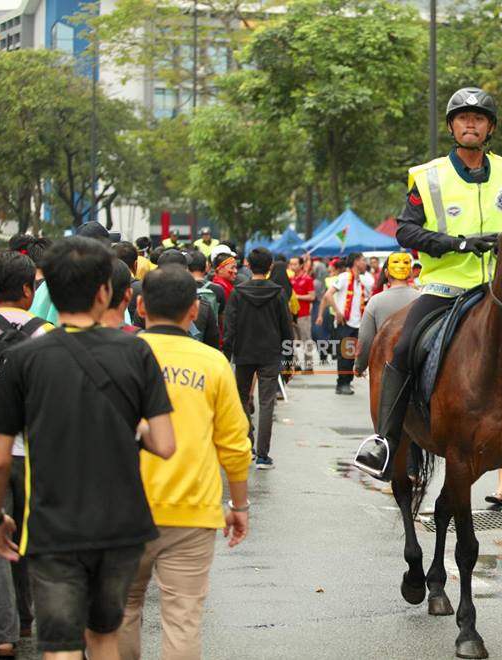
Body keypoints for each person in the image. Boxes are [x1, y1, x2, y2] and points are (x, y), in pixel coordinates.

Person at [352, 86, 502, 484]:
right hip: (444, 288)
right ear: (452, 126)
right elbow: (407, 231)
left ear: (490, 129)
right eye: (463, 118)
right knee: (402, 343)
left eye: (479, 118)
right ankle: (385, 439)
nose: (471, 123)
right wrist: (458, 244)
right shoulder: (428, 176)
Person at [0, 237, 175, 660]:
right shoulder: (136, 351)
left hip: (54, 527)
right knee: (103, 637)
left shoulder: (25, 359)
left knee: (61, 647)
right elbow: (165, 444)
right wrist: (135, 427)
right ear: (105, 291)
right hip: (122, 525)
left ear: (46, 286)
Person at [120, 266, 250, 660]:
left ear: (140, 306)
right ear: (195, 310)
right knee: (183, 619)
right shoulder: (212, 363)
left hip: (121, 509)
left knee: (121, 612)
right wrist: (239, 505)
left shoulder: (117, 354)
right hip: (193, 510)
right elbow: (234, 445)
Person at [0, 252, 50, 658]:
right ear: (27, 290)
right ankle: (26, 618)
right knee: (25, 533)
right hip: (32, 452)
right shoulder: (48, 335)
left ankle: (1, 634)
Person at [223, 247, 294, 469]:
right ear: (270, 266)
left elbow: (230, 328)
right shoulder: (279, 293)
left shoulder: (237, 293)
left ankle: (247, 442)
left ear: (248, 265)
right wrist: (289, 358)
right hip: (270, 354)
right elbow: (286, 328)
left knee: (242, 399)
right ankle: (263, 455)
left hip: (243, 352)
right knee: (266, 403)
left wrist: (227, 354)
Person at [316, 252, 372, 395]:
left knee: (352, 355)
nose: (365, 263)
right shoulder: (344, 277)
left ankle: (347, 381)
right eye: (363, 260)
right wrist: (338, 311)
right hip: (344, 322)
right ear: (356, 262)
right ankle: (342, 384)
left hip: (358, 322)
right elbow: (328, 295)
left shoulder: (363, 280)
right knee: (344, 354)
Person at [355, 252, 420, 376]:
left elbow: (365, 341)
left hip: (384, 369)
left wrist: (360, 366)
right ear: (410, 273)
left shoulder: (375, 301)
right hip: (416, 368)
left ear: (386, 273)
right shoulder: (422, 299)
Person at [290, 256, 316, 372]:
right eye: (291, 264)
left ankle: (309, 365)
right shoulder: (290, 279)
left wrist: (297, 297)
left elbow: (312, 296)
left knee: (306, 340)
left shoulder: (307, 279)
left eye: (295, 264)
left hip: (303, 314)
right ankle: (295, 364)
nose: (293, 266)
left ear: (301, 265)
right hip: (292, 314)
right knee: (292, 340)